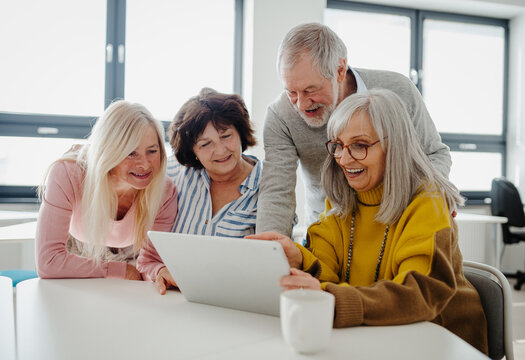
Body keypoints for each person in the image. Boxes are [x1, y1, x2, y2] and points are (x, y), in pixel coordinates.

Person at [248, 89, 488, 354]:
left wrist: (331, 299)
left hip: (441, 343)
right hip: (377, 339)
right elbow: (328, 275)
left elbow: (418, 295)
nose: (344, 158)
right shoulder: (341, 201)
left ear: (394, 146)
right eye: (338, 145)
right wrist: (299, 259)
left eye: (360, 145)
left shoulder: (427, 201)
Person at [256, 22, 452, 237]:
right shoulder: (280, 115)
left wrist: (427, 202)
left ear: (340, 70)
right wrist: (271, 249)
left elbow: (434, 155)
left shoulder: (398, 90)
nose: (301, 104)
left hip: (396, 227)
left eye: (310, 90)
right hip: (328, 237)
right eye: (291, 92)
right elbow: (277, 192)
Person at [36, 100, 178, 284]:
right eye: (131, 153)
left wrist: (159, 272)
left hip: (131, 255)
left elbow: (149, 262)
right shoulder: (68, 173)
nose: (144, 164)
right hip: (76, 254)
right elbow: (48, 261)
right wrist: (120, 269)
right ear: (109, 152)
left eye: (152, 151)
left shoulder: (164, 192)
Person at [139, 87, 261, 294]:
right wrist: (159, 271)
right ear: (193, 151)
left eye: (226, 136)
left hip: (234, 302)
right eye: (206, 144)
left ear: (240, 133)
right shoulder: (173, 174)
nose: (221, 151)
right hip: (173, 302)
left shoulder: (269, 188)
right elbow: (147, 258)